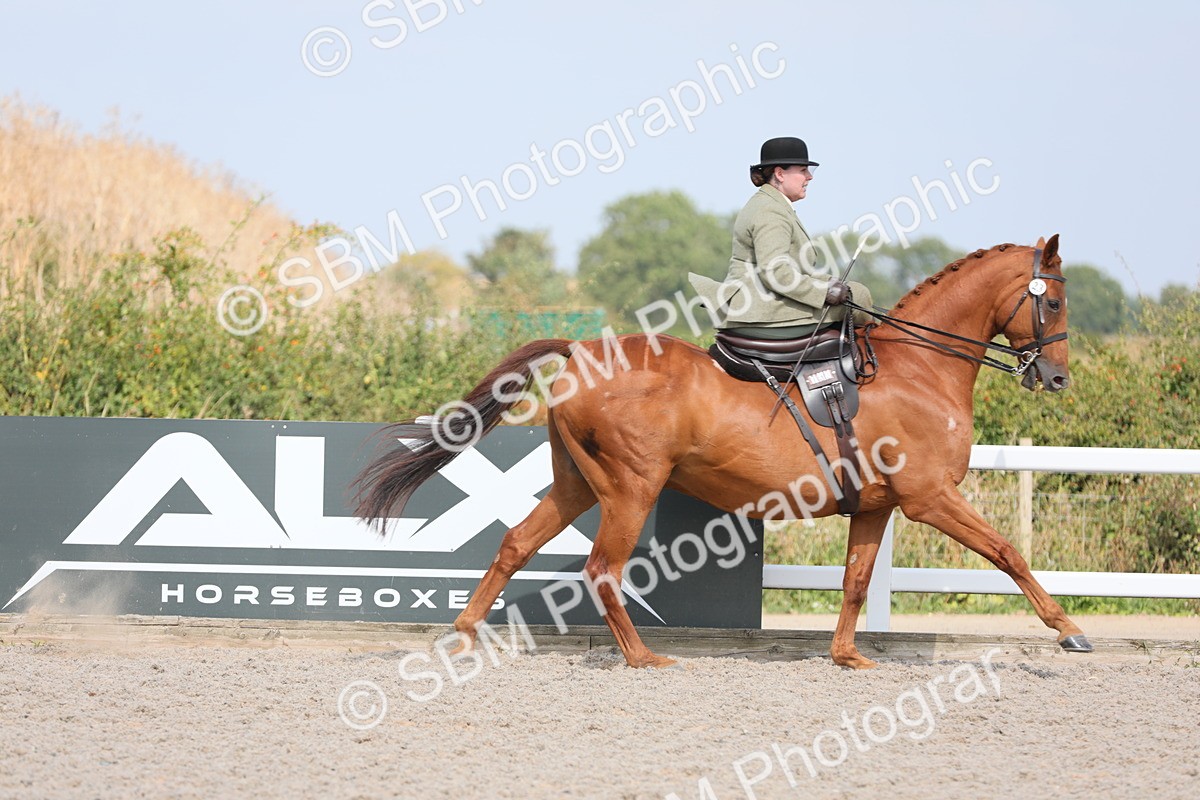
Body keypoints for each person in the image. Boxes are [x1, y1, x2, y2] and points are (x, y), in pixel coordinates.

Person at [690, 136, 873, 339]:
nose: (809, 177)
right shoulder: (770, 211)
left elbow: (794, 269)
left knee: (854, 291)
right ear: (779, 173)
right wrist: (823, 292)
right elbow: (776, 273)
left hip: (764, 301)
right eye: (803, 171)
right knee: (859, 297)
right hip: (757, 308)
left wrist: (830, 282)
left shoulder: (772, 204)